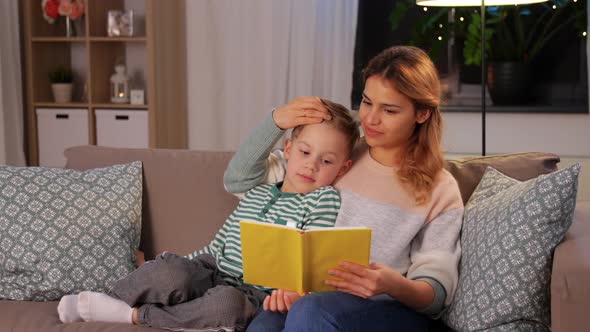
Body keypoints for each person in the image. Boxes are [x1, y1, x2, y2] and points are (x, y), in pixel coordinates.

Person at [56, 99, 360, 331]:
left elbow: (313, 257)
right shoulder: (259, 188)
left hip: (254, 292)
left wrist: (295, 291)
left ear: (343, 169)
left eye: (327, 161)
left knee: (225, 306)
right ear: (289, 149)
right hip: (210, 266)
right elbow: (220, 236)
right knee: (170, 272)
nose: (311, 166)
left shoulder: (323, 199)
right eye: (305, 153)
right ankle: (112, 297)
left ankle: (131, 314)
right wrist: (276, 122)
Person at [223, 46, 464, 332]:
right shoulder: (332, 156)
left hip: (387, 308)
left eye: (388, 110)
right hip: (310, 300)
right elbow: (239, 181)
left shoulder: (439, 187)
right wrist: (276, 121)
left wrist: (392, 283)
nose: (370, 119)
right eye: (366, 102)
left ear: (422, 113)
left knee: (312, 311)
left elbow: (436, 296)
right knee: (265, 324)